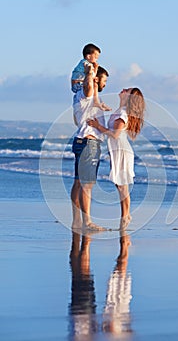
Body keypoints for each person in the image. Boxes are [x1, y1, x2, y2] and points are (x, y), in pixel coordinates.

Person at [87, 87, 145, 230]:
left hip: (122, 151)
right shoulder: (120, 111)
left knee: (122, 185)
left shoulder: (123, 114)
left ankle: (126, 216)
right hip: (117, 151)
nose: (122, 89)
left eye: (127, 90)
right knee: (119, 184)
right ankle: (126, 215)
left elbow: (115, 134)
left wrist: (97, 126)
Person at [71, 63, 109, 232]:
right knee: (87, 184)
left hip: (81, 141)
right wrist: (89, 75)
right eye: (104, 80)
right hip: (89, 143)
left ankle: (77, 220)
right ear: (96, 79)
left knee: (79, 183)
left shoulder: (82, 96)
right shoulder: (87, 93)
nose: (105, 84)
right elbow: (87, 88)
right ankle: (87, 222)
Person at [71, 43, 110, 111]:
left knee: (94, 86)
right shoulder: (87, 64)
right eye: (95, 58)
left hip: (77, 84)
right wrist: (95, 68)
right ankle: (96, 102)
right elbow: (92, 75)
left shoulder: (83, 64)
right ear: (88, 56)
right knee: (94, 85)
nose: (96, 60)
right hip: (78, 84)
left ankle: (98, 102)